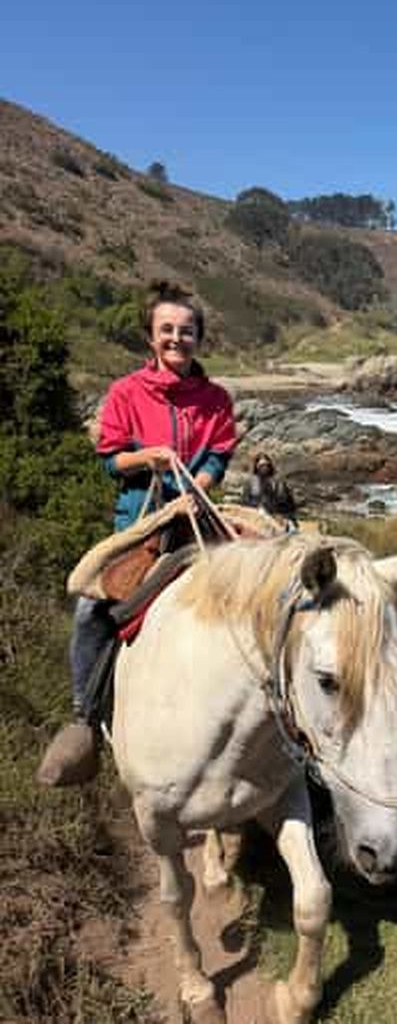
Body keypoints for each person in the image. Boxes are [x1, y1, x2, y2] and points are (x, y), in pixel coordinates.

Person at [37, 280, 237, 786]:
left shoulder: (215, 399)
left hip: (196, 515)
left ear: (199, 338)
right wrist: (148, 457)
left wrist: (200, 486)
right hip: (141, 522)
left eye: (186, 331)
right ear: (151, 337)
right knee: (91, 609)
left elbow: (218, 455)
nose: (177, 338)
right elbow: (111, 460)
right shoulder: (126, 392)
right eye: (167, 329)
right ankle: (84, 719)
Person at [242, 451, 298, 527]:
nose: (264, 468)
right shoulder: (250, 483)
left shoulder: (279, 483)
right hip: (256, 518)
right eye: (261, 465)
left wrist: (286, 518)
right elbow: (245, 503)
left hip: (278, 518)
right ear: (256, 466)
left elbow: (289, 504)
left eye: (266, 465)